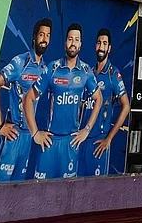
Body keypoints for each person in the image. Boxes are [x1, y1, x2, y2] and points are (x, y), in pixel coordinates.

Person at [27, 23, 103, 179]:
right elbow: (29, 98)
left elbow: (99, 99)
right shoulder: (52, 68)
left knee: (66, 196)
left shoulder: (86, 71)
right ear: (65, 43)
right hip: (49, 142)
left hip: (71, 143)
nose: (73, 43)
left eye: (76, 40)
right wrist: (35, 133)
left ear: (80, 44)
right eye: (70, 39)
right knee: (40, 193)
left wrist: (86, 130)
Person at [0, 17, 52, 181]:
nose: (44, 39)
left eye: (48, 35)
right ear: (34, 37)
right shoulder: (20, 62)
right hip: (12, 136)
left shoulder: (45, 68)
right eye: (41, 35)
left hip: (28, 138)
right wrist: (0, 125)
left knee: (16, 193)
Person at [79, 28, 132, 176]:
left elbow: (126, 106)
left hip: (99, 141)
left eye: (104, 44)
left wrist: (109, 138)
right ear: (95, 46)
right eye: (99, 43)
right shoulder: (88, 72)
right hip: (82, 138)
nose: (101, 47)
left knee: (95, 191)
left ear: (109, 48)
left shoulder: (113, 74)